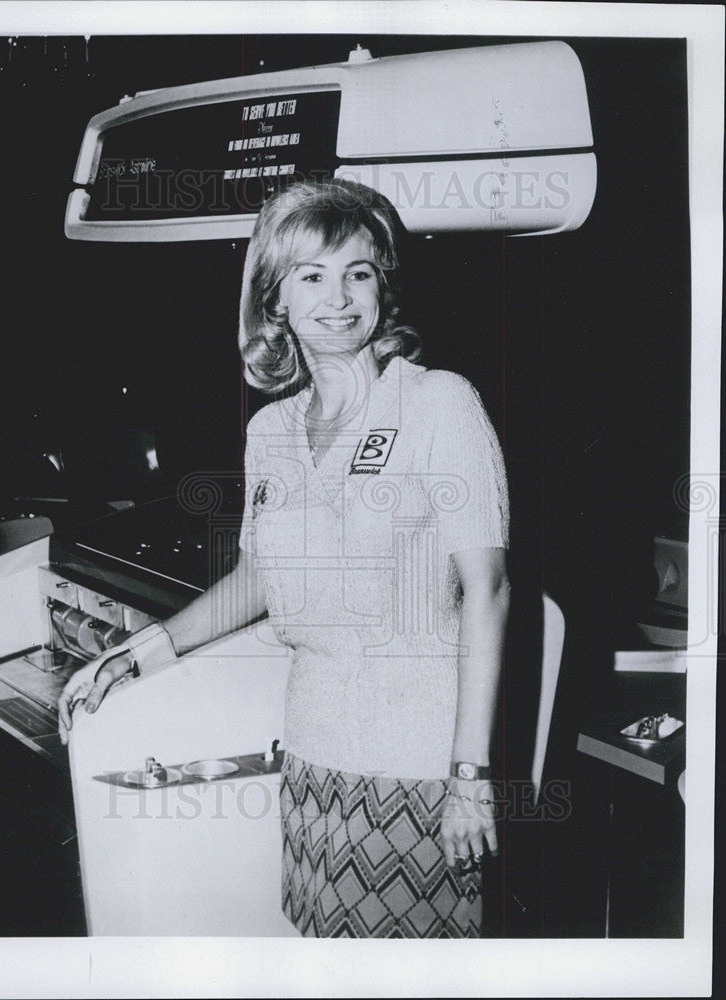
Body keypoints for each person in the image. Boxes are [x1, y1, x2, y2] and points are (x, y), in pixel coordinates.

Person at [58, 178, 510, 938]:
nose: (338, 296)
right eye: (312, 275)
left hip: (419, 767)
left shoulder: (439, 404)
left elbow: (488, 593)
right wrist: (137, 655)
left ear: (382, 287)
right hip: (310, 759)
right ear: (276, 300)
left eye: (358, 272)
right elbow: (260, 580)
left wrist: (469, 778)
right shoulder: (270, 432)